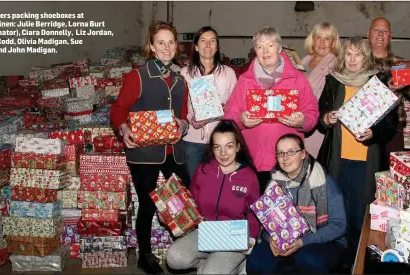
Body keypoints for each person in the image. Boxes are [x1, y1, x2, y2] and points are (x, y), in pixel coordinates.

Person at [109, 21, 190, 275]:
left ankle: (185, 249)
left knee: (183, 198)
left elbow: (184, 115)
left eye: (171, 42)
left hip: (172, 151)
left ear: (176, 47)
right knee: (147, 204)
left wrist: (183, 125)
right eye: (161, 42)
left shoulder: (180, 81)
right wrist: (123, 128)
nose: (166, 47)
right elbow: (119, 109)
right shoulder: (138, 77)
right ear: (152, 47)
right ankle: (145, 254)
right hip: (144, 153)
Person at [316, 37, 398, 264]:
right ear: (343, 57)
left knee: (361, 214)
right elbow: (320, 117)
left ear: (366, 57)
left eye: (358, 54)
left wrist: (374, 132)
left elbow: (390, 124)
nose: (352, 59)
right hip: (337, 159)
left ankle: (359, 260)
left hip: (366, 160)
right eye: (348, 54)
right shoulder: (334, 81)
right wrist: (327, 118)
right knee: (337, 213)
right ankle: (339, 262)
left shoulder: (377, 82)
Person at [224, 26, 320, 195]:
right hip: (254, 160)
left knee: (288, 215)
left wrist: (302, 121)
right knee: (256, 210)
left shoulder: (297, 79)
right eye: (260, 47)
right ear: (255, 51)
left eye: (270, 45)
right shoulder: (245, 81)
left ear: (279, 48)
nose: (265, 51)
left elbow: (312, 112)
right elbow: (229, 116)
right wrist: (241, 120)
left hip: (289, 162)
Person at [166, 120, 260, 274]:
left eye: (229, 146)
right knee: (174, 258)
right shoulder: (203, 171)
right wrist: (171, 216)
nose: (223, 153)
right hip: (206, 231)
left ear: (238, 147)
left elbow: (254, 214)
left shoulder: (249, 177)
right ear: (212, 149)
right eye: (217, 147)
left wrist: (251, 240)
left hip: (234, 235)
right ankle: (210, 265)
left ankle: (237, 268)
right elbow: (191, 205)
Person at [246, 133, 346, 274]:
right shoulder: (273, 184)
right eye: (281, 153)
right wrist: (271, 240)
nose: (285, 158)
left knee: (308, 259)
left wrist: (302, 242)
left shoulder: (324, 181)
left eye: (291, 152)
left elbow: (339, 225)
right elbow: (265, 225)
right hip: (284, 239)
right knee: (256, 262)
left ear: (303, 154)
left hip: (323, 239)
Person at [368, 17, 410, 162]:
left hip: (393, 129)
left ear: (390, 37)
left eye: (385, 31)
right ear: (368, 34)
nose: (380, 34)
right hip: (365, 128)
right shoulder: (357, 62)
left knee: (392, 177)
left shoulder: (402, 65)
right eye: (376, 30)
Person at [181, 26, 238, 179]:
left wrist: (217, 113)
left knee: (219, 184)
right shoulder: (185, 73)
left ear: (217, 46)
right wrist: (191, 117)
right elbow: (181, 105)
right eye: (203, 41)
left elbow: (235, 106)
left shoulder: (228, 73)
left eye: (212, 41)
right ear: (196, 46)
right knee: (194, 184)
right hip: (192, 141)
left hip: (221, 141)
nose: (208, 45)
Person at [301, 22, 341, 158]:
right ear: (312, 39)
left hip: (317, 124)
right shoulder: (305, 60)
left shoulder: (335, 64)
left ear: (333, 42)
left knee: (313, 165)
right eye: (319, 37)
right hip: (298, 121)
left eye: (327, 38)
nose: (322, 42)